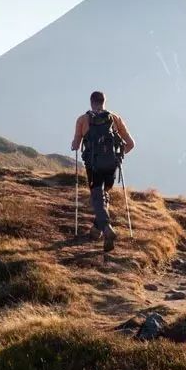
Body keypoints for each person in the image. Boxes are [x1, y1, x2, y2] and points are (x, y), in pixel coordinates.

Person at [71, 91, 135, 252]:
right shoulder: (114, 118)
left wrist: (76, 143)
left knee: (96, 195)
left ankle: (106, 228)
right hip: (111, 165)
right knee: (103, 195)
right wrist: (119, 156)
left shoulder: (83, 119)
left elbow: (76, 145)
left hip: (93, 166)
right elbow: (131, 144)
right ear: (104, 101)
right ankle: (95, 231)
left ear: (91, 101)